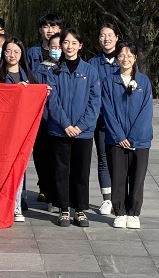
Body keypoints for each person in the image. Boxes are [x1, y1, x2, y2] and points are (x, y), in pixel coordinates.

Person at [43, 29, 100, 227]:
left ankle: (80, 209)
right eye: (66, 42)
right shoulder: (53, 71)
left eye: (74, 43)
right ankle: (64, 208)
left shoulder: (90, 71)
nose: (69, 46)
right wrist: (66, 124)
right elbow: (52, 101)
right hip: (60, 130)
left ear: (80, 46)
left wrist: (80, 126)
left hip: (83, 132)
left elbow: (95, 102)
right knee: (61, 170)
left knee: (81, 171)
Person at [105, 41, 153, 229]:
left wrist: (132, 137)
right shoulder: (109, 81)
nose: (125, 59)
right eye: (122, 55)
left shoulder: (144, 82)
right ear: (117, 58)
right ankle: (120, 211)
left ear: (135, 58)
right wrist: (119, 136)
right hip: (115, 140)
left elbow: (146, 111)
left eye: (129, 55)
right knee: (118, 177)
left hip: (139, 140)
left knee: (137, 177)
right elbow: (107, 110)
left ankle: (133, 212)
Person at [0, 37, 40, 222]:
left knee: (19, 167)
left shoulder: (29, 77)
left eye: (16, 52)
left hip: (21, 129)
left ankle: (16, 205)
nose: (11, 55)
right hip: (0, 129)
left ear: (22, 55)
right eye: (8, 51)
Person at [31, 30, 63, 210]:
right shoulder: (40, 69)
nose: (56, 50)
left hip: (63, 122)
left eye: (60, 47)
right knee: (43, 158)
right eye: (53, 47)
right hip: (43, 121)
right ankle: (48, 193)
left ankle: (61, 196)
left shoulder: (68, 69)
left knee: (60, 161)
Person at [91, 23, 120, 215]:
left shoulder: (125, 59)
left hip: (121, 121)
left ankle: (120, 197)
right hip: (101, 121)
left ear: (117, 37)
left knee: (120, 159)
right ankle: (107, 199)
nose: (106, 39)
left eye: (110, 35)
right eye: (102, 35)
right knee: (103, 158)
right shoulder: (93, 63)